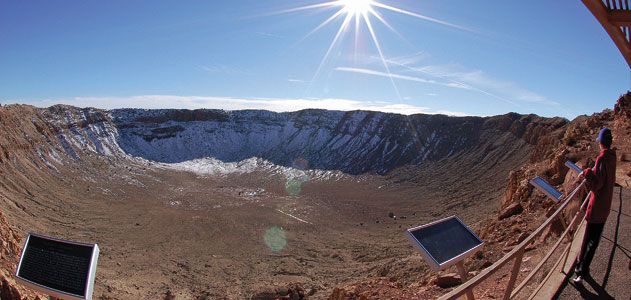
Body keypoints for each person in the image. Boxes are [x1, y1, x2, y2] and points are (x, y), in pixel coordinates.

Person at [573, 128, 617, 283]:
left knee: (588, 240)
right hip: (605, 205)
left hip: (597, 206)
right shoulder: (612, 156)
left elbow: (597, 184)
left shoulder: (602, 158)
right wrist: (592, 170)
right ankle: (584, 268)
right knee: (595, 240)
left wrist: (586, 173)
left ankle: (580, 270)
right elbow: (604, 176)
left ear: (601, 143)